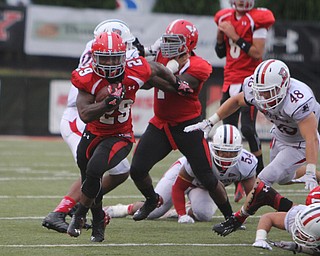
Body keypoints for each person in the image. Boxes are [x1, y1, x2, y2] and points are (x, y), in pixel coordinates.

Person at [66, 31, 192, 242]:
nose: (110, 62)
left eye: (115, 57)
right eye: (105, 57)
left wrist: (176, 82)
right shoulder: (87, 76)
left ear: (123, 56)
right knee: (90, 177)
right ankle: (98, 222)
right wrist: (106, 104)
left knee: (95, 168)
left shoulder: (135, 68)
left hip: (120, 134)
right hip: (94, 132)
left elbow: (157, 69)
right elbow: (84, 114)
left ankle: (78, 216)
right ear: (95, 56)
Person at [184, 59, 320, 236]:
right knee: (284, 178)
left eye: (269, 92)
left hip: (299, 142)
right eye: (261, 93)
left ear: (284, 86)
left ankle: (238, 217)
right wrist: (211, 121)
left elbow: (311, 138)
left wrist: (310, 168)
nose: (263, 98)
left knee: (265, 177)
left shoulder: (299, 99)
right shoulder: (253, 87)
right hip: (279, 135)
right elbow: (236, 101)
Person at [129, 19, 235, 224]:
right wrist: (142, 59)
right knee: (137, 169)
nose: (168, 45)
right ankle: (151, 199)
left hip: (188, 126)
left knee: (206, 176)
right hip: (161, 125)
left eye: (174, 40)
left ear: (189, 43)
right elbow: (144, 84)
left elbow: (171, 86)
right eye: (167, 39)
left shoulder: (199, 66)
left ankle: (231, 216)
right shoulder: (161, 56)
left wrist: (151, 71)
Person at [42, 19, 138, 234]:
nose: (127, 49)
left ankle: (82, 204)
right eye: (125, 44)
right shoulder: (105, 55)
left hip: (94, 116)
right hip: (80, 116)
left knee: (121, 170)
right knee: (92, 168)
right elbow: (135, 62)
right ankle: (60, 212)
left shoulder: (100, 49)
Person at [104, 124, 257, 222]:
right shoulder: (201, 156)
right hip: (182, 177)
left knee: (204, 215)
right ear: (213, 147)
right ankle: (123, 208)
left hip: (204, 186)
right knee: (154, 211)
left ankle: (182, 209)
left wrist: (241, 217)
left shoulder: (246, 163)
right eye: (222, 152)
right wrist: (182, 215)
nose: (226, 156)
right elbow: (178, 187)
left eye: (230, 153)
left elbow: (252, 196)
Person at [214, 0, 275, 202]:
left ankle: (260, 175)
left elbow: (257, 53)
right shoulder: (224, 17)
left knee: (248, 129)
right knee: (229, 132)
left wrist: (235, 36)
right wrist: (221, 36)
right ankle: (237, 178)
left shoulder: (259, 18)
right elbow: (221, 52)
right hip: (229, 80)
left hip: (249, 81)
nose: (241, 1)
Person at [252, 186, 320, 255]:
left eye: (304, 234)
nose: (298, 234)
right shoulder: (298, 216)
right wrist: (260, 238)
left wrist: (299, 248)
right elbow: (267, 217)